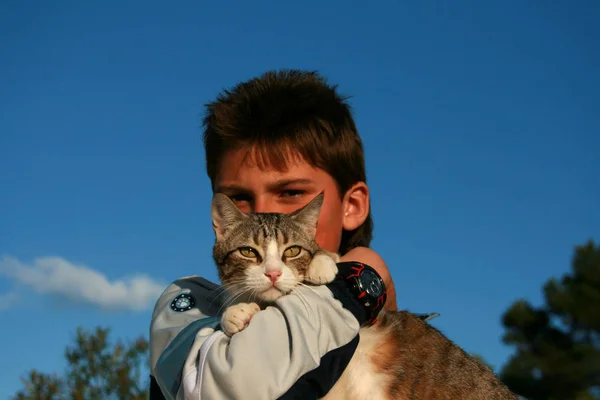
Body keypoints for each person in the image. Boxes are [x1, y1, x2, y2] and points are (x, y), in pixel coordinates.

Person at [149, 69, 399, 399]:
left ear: (351, 206)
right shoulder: (190, 306)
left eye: (292, 192)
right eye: (239, 198)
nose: (263, 215)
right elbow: (227, 388)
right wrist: (355, 286)